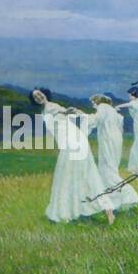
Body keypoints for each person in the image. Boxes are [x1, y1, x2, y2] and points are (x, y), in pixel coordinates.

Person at [33, 89, 115, 225]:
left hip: (73, 142)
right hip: (69, 143)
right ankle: (76, 211)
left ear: (45, 94)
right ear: (34, 100)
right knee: (77, 176)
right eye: (35, 97)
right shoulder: (46, 110)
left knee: (79, 176)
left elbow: (64, 112)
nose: (38, 97)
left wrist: (68, 112)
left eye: (40, 94)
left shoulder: (53, 107)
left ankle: (104, 210)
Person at [88, 94, 138, 211]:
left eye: (93, 102)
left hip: (108, 141)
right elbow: (120, 129)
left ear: (98, 101)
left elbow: (96, 119)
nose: (93, 105)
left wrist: (81, 117)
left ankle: (129, 196)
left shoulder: (102, 108)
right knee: (111, 169)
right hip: (116, 141)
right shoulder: (114, 112)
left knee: (107, 170)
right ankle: (114, 201)